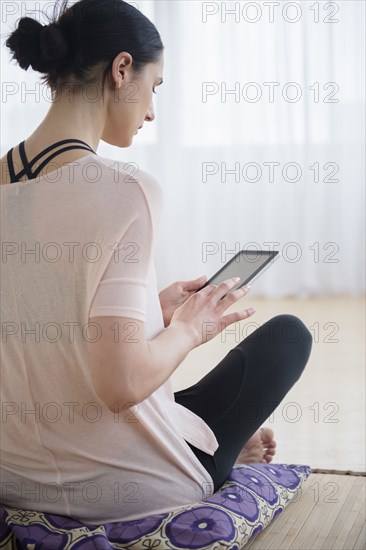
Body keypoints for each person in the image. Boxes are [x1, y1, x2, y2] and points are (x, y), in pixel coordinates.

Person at [0, 0, 313, 525]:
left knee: (165, 396)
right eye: (155, 87)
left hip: (13, 472)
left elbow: (38, 322)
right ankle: (216, 452)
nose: (150, 111)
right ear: (122, 69)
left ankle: (196, 428)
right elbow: (119, 386)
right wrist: (191, 329)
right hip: (122, 490)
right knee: (289, 336)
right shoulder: (127, 189)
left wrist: (153, 310)